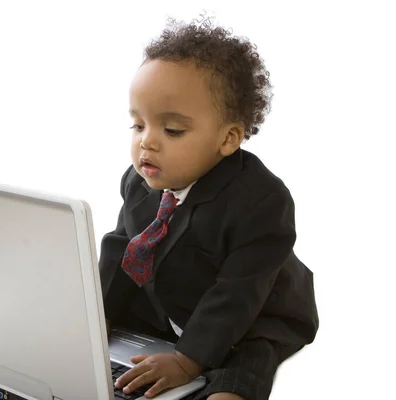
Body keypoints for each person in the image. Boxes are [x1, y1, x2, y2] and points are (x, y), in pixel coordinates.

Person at [99, 17, 319, 400]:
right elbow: (122, 248)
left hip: (255, 306)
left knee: (249, 355)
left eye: (172, 131)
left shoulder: (261, 201)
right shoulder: (138, 182)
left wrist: (188, 360)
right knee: (120, 319)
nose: (147, 143)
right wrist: (98, 316)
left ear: (228, 138)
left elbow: (237, 293)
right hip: (176, 293)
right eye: (138, 125)